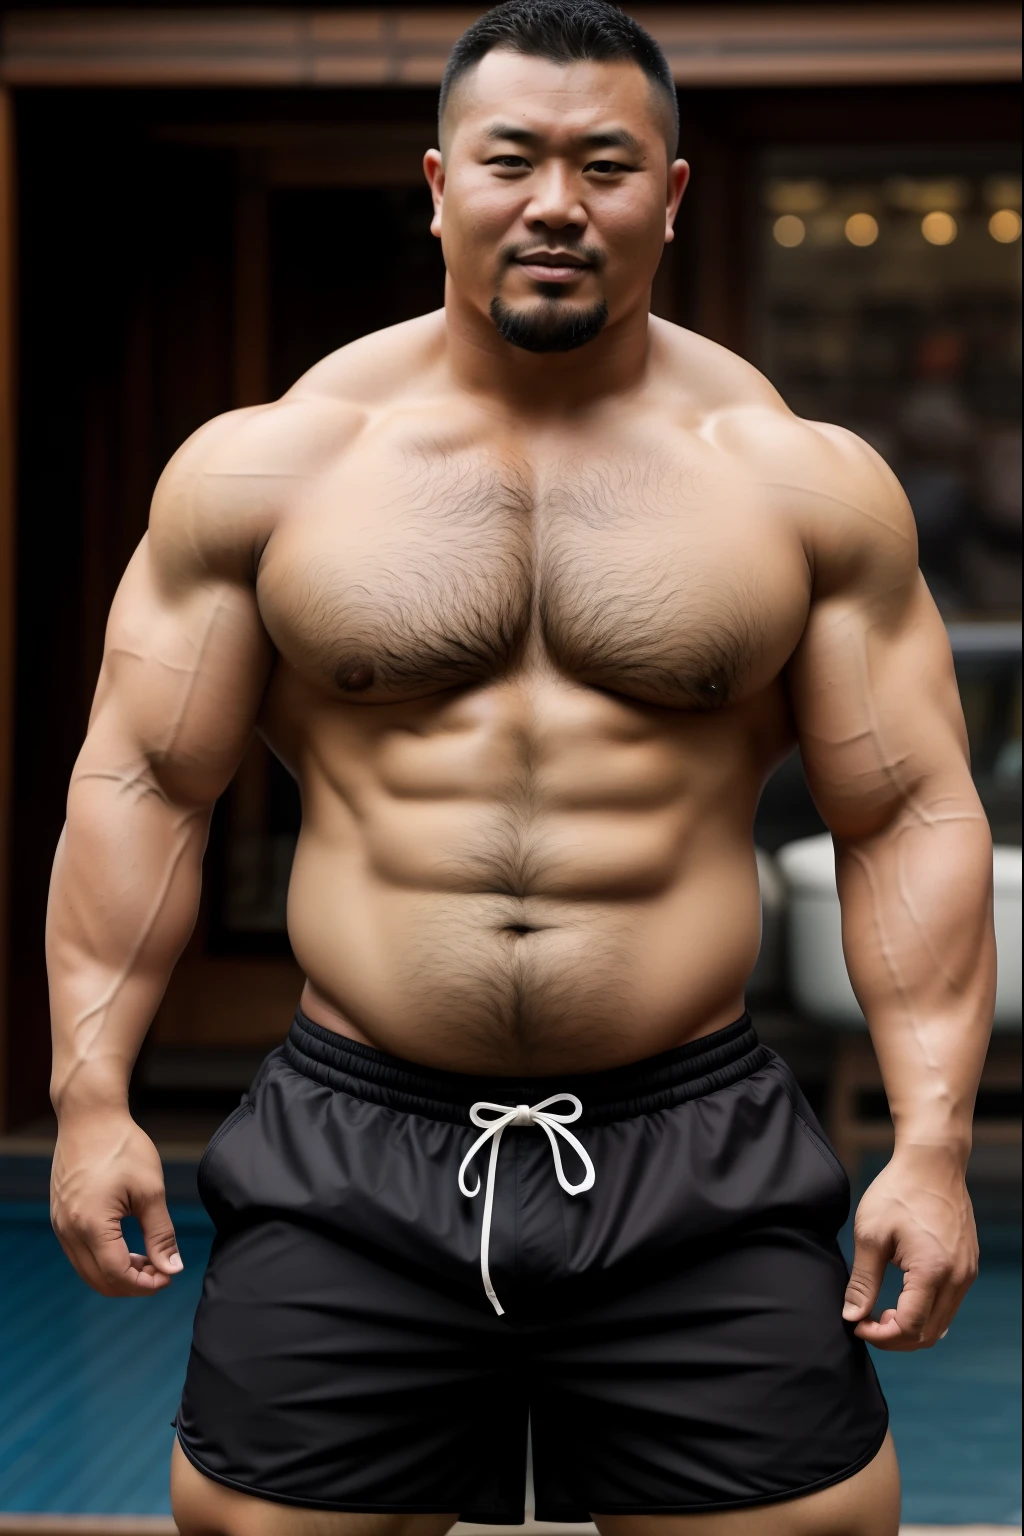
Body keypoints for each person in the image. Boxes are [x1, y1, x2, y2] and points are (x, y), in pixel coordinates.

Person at [45, 2, 995, 1532]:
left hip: (697, 1145)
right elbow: (146, 784)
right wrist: (90, 1095)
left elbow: (908, 812)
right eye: (514, 158)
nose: (558, 201)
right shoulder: (272, 467)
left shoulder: (800, 485)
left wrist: (932, 1143)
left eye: (606, 163)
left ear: (670, 196)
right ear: (438, 184)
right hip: (354, 1143)